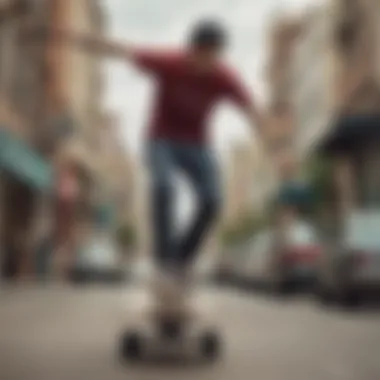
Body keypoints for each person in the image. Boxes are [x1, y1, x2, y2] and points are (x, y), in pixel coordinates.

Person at [28, 19, 267, 284]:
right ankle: (164, 259)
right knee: (164, 186)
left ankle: (181, 259)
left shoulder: (223, 76)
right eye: (202, 56)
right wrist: (62, 33)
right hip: (160, 140)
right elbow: (116, 50)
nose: (206, 63)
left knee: (212, 199)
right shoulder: (170, 63)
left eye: (213, 56)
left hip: (197, 145)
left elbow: (251, 109)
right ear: (192, 50)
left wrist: (272, 145)